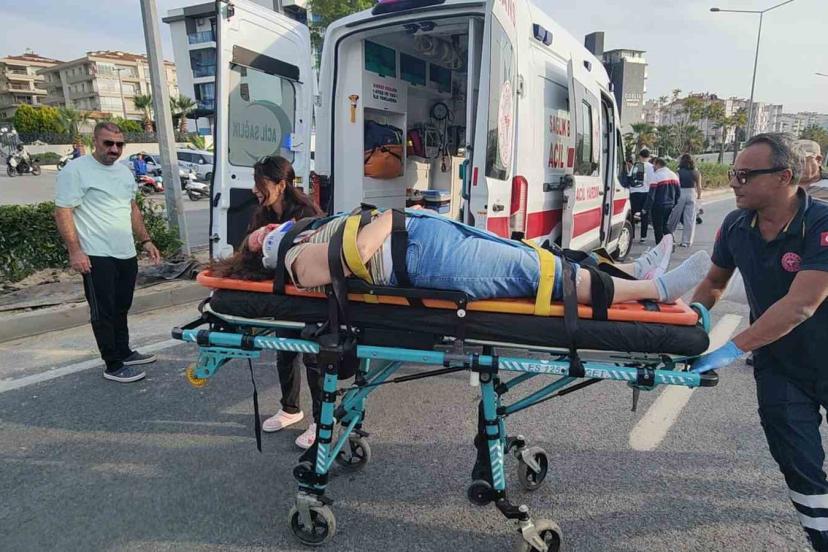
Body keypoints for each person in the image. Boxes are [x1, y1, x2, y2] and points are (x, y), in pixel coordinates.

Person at [690, 133, 828, 551]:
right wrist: (687, 330)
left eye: (745, 175)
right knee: (798, 461)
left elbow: (801, 305)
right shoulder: (736, 225)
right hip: (781, 365)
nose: (734, 182)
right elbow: (714, 283)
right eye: (734, 173)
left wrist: (732, 348)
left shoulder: (820, 225)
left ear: (784, 177)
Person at [212, 209, 709, 311]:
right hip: (424, 259)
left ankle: (631, 272)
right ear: (261, 255)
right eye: (255, 240)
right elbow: (354, 256)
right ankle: (655, 289)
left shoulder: (305, 230)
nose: (262, 232)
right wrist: (389, 218)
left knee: (536, 256)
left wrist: (401, 217)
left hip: (425, 236)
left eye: (261, 229)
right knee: (536, 274)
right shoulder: (296, 261)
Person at [54, 122, 162, 383]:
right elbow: (63, 211)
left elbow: (132, 208)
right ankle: (112, 364)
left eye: (119, 144)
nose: (114, 149)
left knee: (121, 306)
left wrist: (146, 241)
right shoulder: (76, 171)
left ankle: (124, 351)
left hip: (125, 253)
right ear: (95, 141)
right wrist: (75, 251)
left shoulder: (124, 172)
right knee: (103, 311)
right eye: (108, 143)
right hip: (96, 254)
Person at [249, 156, 325, 450]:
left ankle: (321, 420)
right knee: (285, 351)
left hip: (309, 293)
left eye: (261, 184)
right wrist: (255, 241)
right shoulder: (262, 215)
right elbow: (251, 252)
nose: (255, 190)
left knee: (313, 357)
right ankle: (290, 408)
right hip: (282, 293)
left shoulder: (307, 213)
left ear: (281, 184)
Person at [667, 154, 702, 247]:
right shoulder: (696, 172)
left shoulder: (678, 172)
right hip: (692, 193)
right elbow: (699, 186)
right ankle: (686, 241)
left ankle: (670, 234)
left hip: (681, 193)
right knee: (689, 218)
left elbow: (675, 185)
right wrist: (699, 197)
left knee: (675, 215)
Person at [646, 158, 680, 245]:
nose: (653, 167)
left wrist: (646, 208)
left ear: (658, 164)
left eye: (654, 164)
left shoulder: (656, 176)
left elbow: (651, 195)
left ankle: (660, 246)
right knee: (664, 225)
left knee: (658, 227)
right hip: (670, 205)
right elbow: (678, 193)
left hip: (658, 205)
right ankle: (671, 242)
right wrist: (674, 203)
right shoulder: (673, 175)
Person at [629, 148, 655, 243]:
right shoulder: (652, 167)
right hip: (646, 193)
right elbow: (652, 181)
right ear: (649, 157)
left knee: (632, 214)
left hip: (634, 193)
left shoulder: (635, 165)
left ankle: (631, 235)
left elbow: (630, 177)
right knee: (645, 215)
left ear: (640, 156)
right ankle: (643, 237)